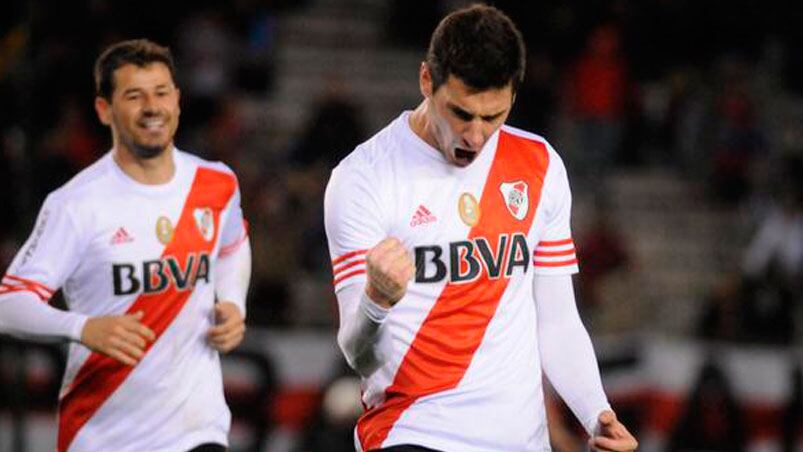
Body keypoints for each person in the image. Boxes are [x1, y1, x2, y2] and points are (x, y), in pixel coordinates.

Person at [324, 5, 638, 452]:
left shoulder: (539, 165)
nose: (475, 136)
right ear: (426, 82)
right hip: (411, 434)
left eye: (493, 117)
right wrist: (375, 302)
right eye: (461, 113)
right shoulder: (363, 179)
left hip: (519, 441)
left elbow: (557, 319)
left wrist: (597, 414)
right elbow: (359, 356)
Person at [0, 39, 251, 452]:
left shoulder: (216, 182)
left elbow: (233, 244)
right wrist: (81, 328)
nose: (152, 107)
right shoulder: (77, 204)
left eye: (161, 92)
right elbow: (10, 303)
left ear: (178, 100)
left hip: (197, 431)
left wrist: (235, 304)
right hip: (105, 435)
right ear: (104, 110)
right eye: (135, 96)